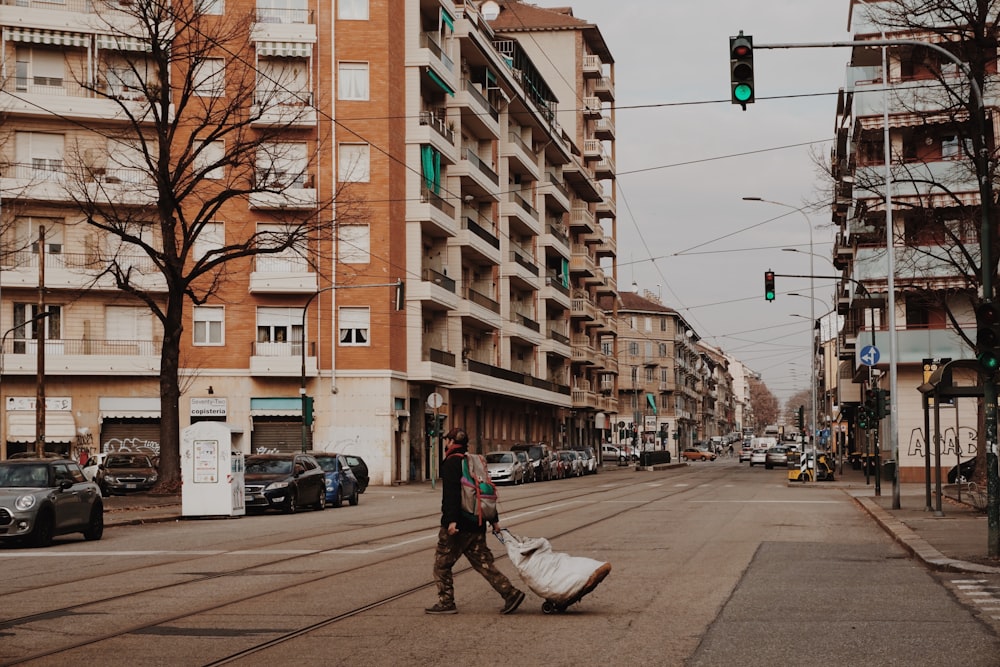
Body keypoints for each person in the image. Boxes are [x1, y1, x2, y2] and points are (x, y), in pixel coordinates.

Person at [426, 427, 525, 615]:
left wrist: (451, 522)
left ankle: (446, 601)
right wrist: (494, 520)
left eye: (447, 440)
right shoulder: (474, 461)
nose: (445, 443)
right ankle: (510, 593)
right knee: (483, 563)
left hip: (459, 525)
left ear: (451, 442)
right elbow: (484, 491)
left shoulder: (451, 463)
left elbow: (452, 495)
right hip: (477, 522)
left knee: (441, 564)